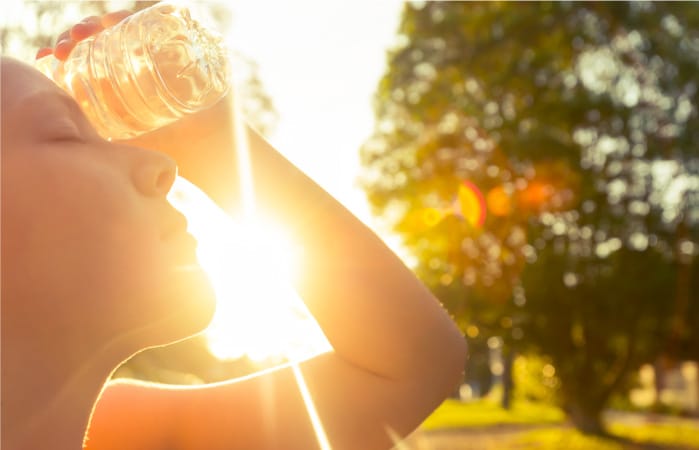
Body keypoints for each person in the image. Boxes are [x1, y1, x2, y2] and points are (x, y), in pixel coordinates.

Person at [1, 10, 467, 450]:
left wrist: (214, 144)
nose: (165, 167)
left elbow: (414, 363)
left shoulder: (119, 433)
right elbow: (410, 369)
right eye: (64, 131)